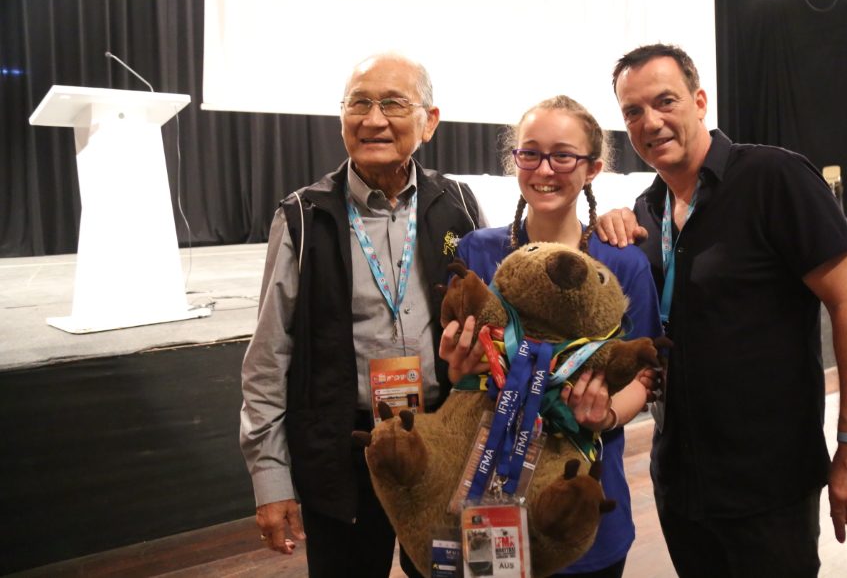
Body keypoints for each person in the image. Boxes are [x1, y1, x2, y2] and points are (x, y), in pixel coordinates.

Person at [597, 44, 847, 576]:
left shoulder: (775, 177)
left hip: (767, 490)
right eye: (632, 111)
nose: (650, 122)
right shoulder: (646, 211)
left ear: (699, 101)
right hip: (680, 484)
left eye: (665, 101)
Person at [239, 53, 483, 577]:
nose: (373, 120)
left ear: (429, 121)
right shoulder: (304, 217)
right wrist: (271, 479)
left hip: (443, 442)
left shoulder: (458, 205)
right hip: (345, 452)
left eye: (393, 103)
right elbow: (268, 359)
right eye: (359, 104)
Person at [441, 95, 662, 578]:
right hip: (489, 497)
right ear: (514, 160)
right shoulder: (479, 252)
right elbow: (463, 374)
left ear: (593, 168)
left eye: (563, 156)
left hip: (583, 498)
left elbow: (644, 375)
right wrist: (458, 369)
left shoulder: (623, 262)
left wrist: (605, 414)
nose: (545, 169)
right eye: (531, 153)